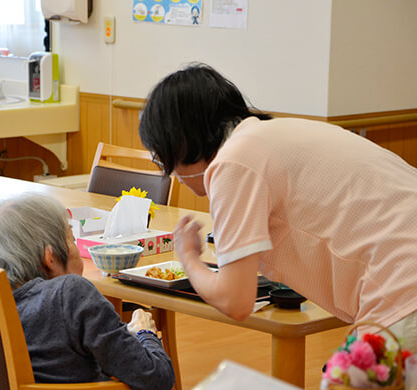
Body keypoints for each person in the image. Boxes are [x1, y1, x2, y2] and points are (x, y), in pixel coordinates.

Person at [138, 63, 417, 352]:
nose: (171, 174)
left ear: (182, 142)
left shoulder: (235, 162)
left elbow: (235, 300)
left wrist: (189, 258)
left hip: (402, 282)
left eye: (163, 160)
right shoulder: (267, 136)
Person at [0, 193, 175, 390]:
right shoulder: (70, 293)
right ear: (51, 258)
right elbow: (158, 379)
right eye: (72, 240)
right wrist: (145, 335)